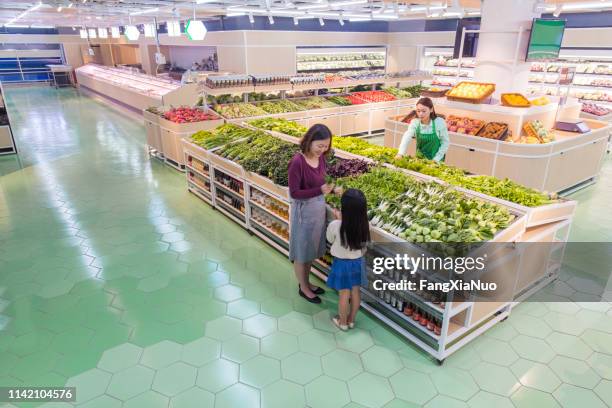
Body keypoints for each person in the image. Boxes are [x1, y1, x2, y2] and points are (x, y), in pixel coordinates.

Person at [288, 124, 338, 304]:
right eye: (319, 146)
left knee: (310, 250)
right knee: (302, 252)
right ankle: (303, 288)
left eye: (326, 146)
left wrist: (332, 190)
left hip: (317, 210)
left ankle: (307, 283)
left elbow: (322, 183)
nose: (323, 150)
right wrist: (320, 190)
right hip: (303, 213)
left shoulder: (321, 159)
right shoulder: (297, 162)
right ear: (309, 141)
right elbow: (294, 193)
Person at [326, 189, 370, 331]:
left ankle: (342, 322)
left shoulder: (336, 225)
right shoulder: (364, 225)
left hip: (341, 264)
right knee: (356, 292)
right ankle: (351, 320)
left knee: (344, 295)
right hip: (357, 263)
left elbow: (329, 239)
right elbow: (364, 248)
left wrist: (337, 219)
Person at [395, 97, 449, 162]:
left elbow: (445, 142)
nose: (420, 114)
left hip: (437, 160)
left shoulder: (439, 122)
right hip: (420, 159)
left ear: (431, 109)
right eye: (418, 111)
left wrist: (436, 159)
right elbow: (407, 136)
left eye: (424, 111)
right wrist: (400, 153)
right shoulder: (415, 122)